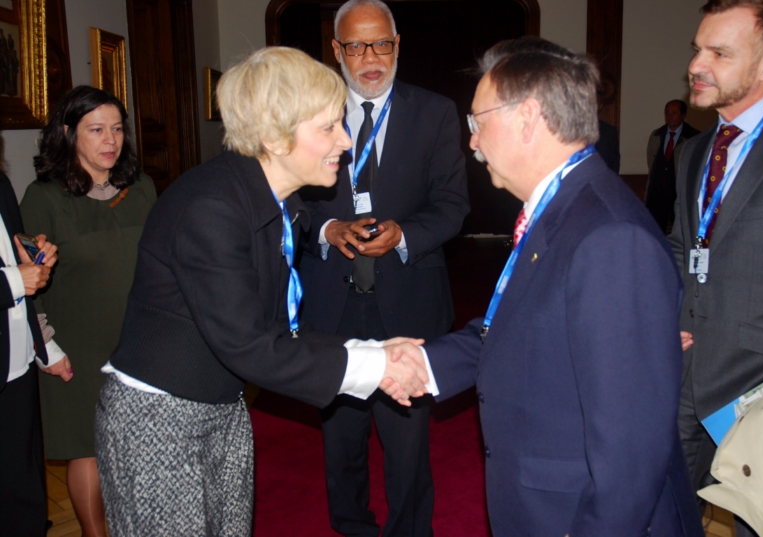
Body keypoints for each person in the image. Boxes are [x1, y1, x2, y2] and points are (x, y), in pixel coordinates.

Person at [94, 47, 430, 537]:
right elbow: (249, 344)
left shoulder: (274, 200)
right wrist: (376, 367)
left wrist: (372, 348)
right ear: (274, 137)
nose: (345, 141)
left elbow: (278, 329)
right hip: (158, 421)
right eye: (328, 127)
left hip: (222, 407)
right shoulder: (212, 207)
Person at [395, 36, 704, 536]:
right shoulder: (563, 208)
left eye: (477, 122)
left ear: (527, 117)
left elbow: (629, 457)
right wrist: (425, 365)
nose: (471, 141)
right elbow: (519, 327)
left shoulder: (609, 237)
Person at [298, 1, 469, 535]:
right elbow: (292, 200)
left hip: (408, 303)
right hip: (334, 305)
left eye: (382, 44)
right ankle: (352, 527)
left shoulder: (435, 112)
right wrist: (327, 230)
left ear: (399, 43)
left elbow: (452, 205)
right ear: (335, 50)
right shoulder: (310, 111)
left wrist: (406, 235)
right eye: (355, 46)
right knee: (341, 444)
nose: (370, 58)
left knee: (408, 448)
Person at [668, 1, 763, 535]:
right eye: (698, 49)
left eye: (719, 53)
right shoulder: (696, 151)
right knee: (665, 508)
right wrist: (667, 316)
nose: (697, 65)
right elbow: (683, 247)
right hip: (682, 370)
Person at [19, 85, 155, 537]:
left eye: (116, 129)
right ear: (67, 133)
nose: (110, 140)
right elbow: (26, 281)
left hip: (136, 338)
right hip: (75, 342)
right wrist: (48, 347)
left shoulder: (141, 188)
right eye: (96, 130)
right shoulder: (43, 197)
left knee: (140, 445)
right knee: (88, 448)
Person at [0, 171, 61, 536]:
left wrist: (35, 260)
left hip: (15, 360)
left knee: (24, 491)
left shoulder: (1, 184)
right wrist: (12, 281)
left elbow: (17, 261)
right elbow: (12, 279)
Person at [644, 100, 700, 233]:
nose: (670, 116)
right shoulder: (656, 135)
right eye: (667, 113)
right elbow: (651, 161)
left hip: (679, 193)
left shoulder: (694, 137)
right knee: (654, 231)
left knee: (681, 231)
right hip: (656, 193)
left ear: (683, 115)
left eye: (674, 113)